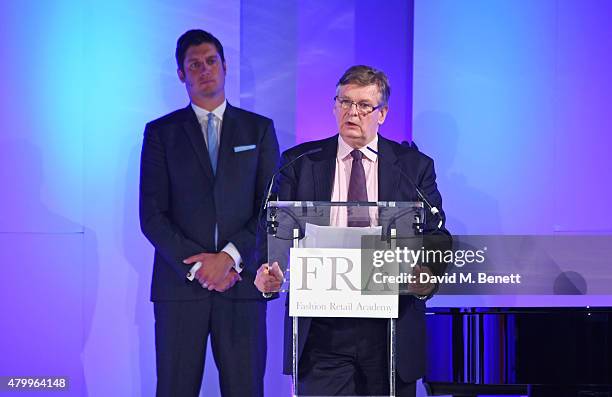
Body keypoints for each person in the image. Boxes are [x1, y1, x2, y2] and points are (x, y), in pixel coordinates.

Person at [255, 65, 450, 397]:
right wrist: (267, 273)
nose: (352, 112)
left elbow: (438, 235)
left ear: (382, 114)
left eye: (363, 105)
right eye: (344, 102)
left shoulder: (413, 167)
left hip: (390, 327)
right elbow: (272, 229)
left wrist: (427, 275)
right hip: (322, 332)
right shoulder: (300, 163)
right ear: (334, 107)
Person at [140, 29, 279, 397]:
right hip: (181, 288)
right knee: (174, 388)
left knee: (246, 389)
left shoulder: (259, 129)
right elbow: (152, 215)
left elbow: (271, 209)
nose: (205, 70)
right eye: (194, 65)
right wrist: (201, 267)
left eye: (211, 61)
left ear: (225, 65)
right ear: (182, 74)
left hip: (242, 284)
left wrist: (230, 258)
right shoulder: (161, 133)